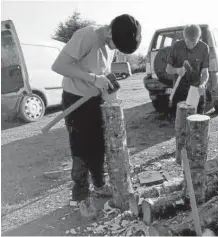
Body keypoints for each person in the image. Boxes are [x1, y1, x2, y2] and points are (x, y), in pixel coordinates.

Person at [51, 14, 141, 202]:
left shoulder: (114, 38)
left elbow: (102, 68)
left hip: (95, 98)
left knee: (99, 143)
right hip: (76, 99)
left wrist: (109, 79)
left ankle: (99, 185)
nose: (114, 49)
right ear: (109, 31)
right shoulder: (87, 36)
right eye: (114, 45)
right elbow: (59, 65)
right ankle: (80, 192)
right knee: (81, 146)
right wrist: (93, 79)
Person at [166, 24, 210, 117]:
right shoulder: (176, 46)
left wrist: (203, 84)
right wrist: (177, 70)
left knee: (197, 122)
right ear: (184, 37)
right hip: (179, 91)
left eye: (195, 42)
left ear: (199, 38)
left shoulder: (204, 48)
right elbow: (168, 69)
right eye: (189, 42)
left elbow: (205, 72)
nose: (192, 45)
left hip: (196, 90)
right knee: (180, 123)